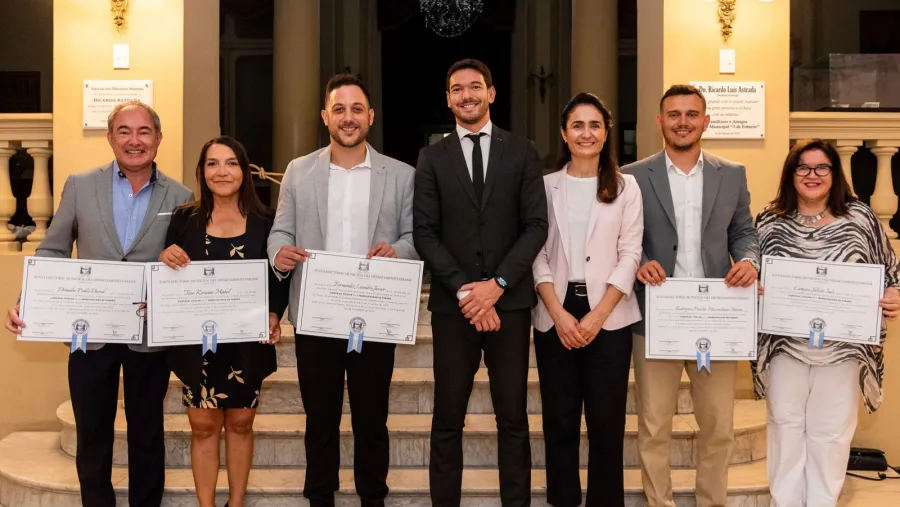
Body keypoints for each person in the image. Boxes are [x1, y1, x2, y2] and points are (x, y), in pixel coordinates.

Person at [4, 100, 193, 507]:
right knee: (92, 435)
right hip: (89, 334)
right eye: (124, 131)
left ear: (158, 138)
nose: (134, 140)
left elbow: (186, 264)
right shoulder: (80, 185)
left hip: (149, 335)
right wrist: (28, 302)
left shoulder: (182, 196)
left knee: (147, 435)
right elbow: (52, 250)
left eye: (143, 131)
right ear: (110, 138)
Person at [267, 73, 417, 507]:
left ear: (370, 116)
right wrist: (279, 252)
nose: (347, 117)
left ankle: (373, 497)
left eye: (356, 109)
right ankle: (320, 498)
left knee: (372, 418)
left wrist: (398, 250)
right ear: (325, 117)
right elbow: (280, 230)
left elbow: (415, 237)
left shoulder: (401, 175)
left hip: (375, 313)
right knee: (320, 418)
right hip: (317, 314)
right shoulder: (299, 171)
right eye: (339, 109)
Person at [413, 58, 548, 507]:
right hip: (454, 309)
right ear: (448, 99)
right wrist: (467, 291)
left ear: (491, 93)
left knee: (513, 418)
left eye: (474, 87)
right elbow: (424, 232)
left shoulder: (522, 151)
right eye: (457, 89)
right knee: (447, 418)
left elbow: (535, 225)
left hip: (509, 306)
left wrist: (498, 285)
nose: (466, 95)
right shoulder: (432, 157)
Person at [622, 84, 760, 507]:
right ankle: (658, 503)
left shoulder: (732, 173)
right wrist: (640, 260)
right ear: (659, 121)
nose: (683, 122)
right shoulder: (632, 175)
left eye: (691, 114)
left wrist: (749, 260)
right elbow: (623, 235)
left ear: (705, 121)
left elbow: (744, 231)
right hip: (657, 314)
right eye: (674, 114)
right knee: (654, 425)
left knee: (718, 425)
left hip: (715, 317)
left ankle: (711, 502)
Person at [753, 139, 900, 506]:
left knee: (831, 434)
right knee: (784, 429)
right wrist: (753, 287)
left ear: (834, 174)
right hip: (785, 348)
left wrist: (893, 294)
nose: (812, 175)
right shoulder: (769, 220)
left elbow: (891, 272)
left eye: (822, 167)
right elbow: (751, 271)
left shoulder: (861, 218)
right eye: (803, 167)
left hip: (842, 350)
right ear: (791, 174)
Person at [158, 136, 291, 507]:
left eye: (231, 163)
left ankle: (236, 503)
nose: (222, 172)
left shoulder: (267, 221)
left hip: (247, 342)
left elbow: (279, 277)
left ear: (244, 171)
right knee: (202, 426)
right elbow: (169, 271)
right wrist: (164, 256)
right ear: (202, 171)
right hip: (197, 342)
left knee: (241, 423)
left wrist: (274, 313)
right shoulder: (184, 218)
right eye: (212, 163)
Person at [531, 93, 643, 507]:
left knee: (606, 422)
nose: (586, 133)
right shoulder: (544, 186)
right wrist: (558, 313)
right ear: (564, 133)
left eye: (595, 125)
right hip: (555, 312)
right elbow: (536, 253)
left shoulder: (626, 187)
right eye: (577, 125)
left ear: (606, 132)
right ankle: (562, 499)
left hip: (609, 316)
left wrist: (597, 316)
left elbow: (630, 253)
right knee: (559, 418)